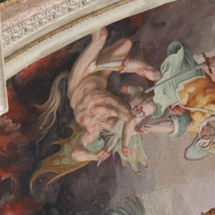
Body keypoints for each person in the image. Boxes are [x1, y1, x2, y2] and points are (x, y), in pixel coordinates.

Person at [38, 28, 158, 166]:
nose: (105, 126)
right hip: (100, 75)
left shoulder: (92, 127)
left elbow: (76, 153)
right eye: (111, 125)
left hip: (79, 81)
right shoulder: (115, 108)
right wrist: (125, 144)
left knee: (101, 36)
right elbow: (130, 119)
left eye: (107, 128)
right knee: (126, 44)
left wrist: (95, 156)